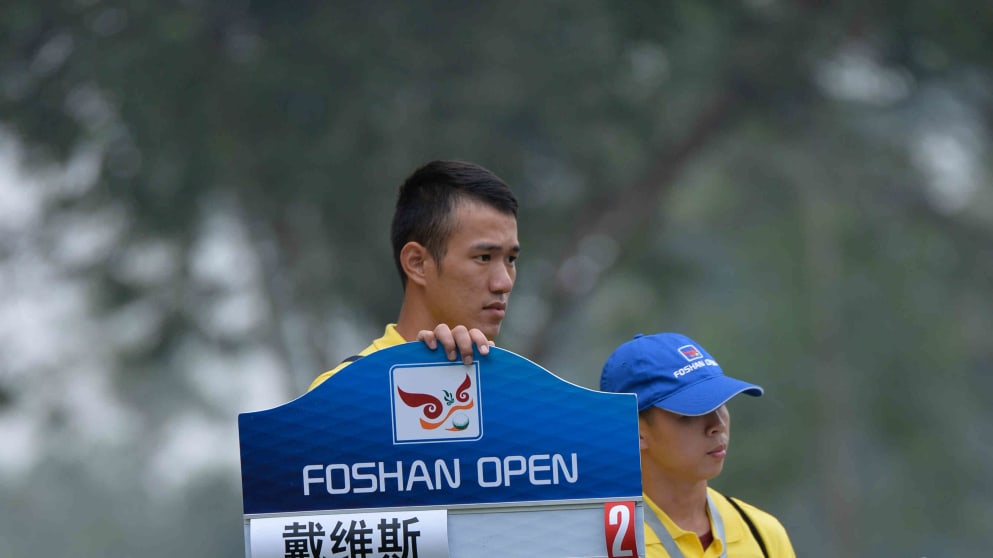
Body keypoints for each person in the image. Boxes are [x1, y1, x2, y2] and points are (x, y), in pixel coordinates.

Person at [308, 160, 520, 391]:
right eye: (484, 257)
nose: (504, 283)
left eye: (511, 259)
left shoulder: (517, 393)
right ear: (417, 263)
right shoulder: (343, 393)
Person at [600, 332, 796, 557]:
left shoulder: (763, 535)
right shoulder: (600, 546)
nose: (717, 424)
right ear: (635, 432)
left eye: (721, 404)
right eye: (690, 414)